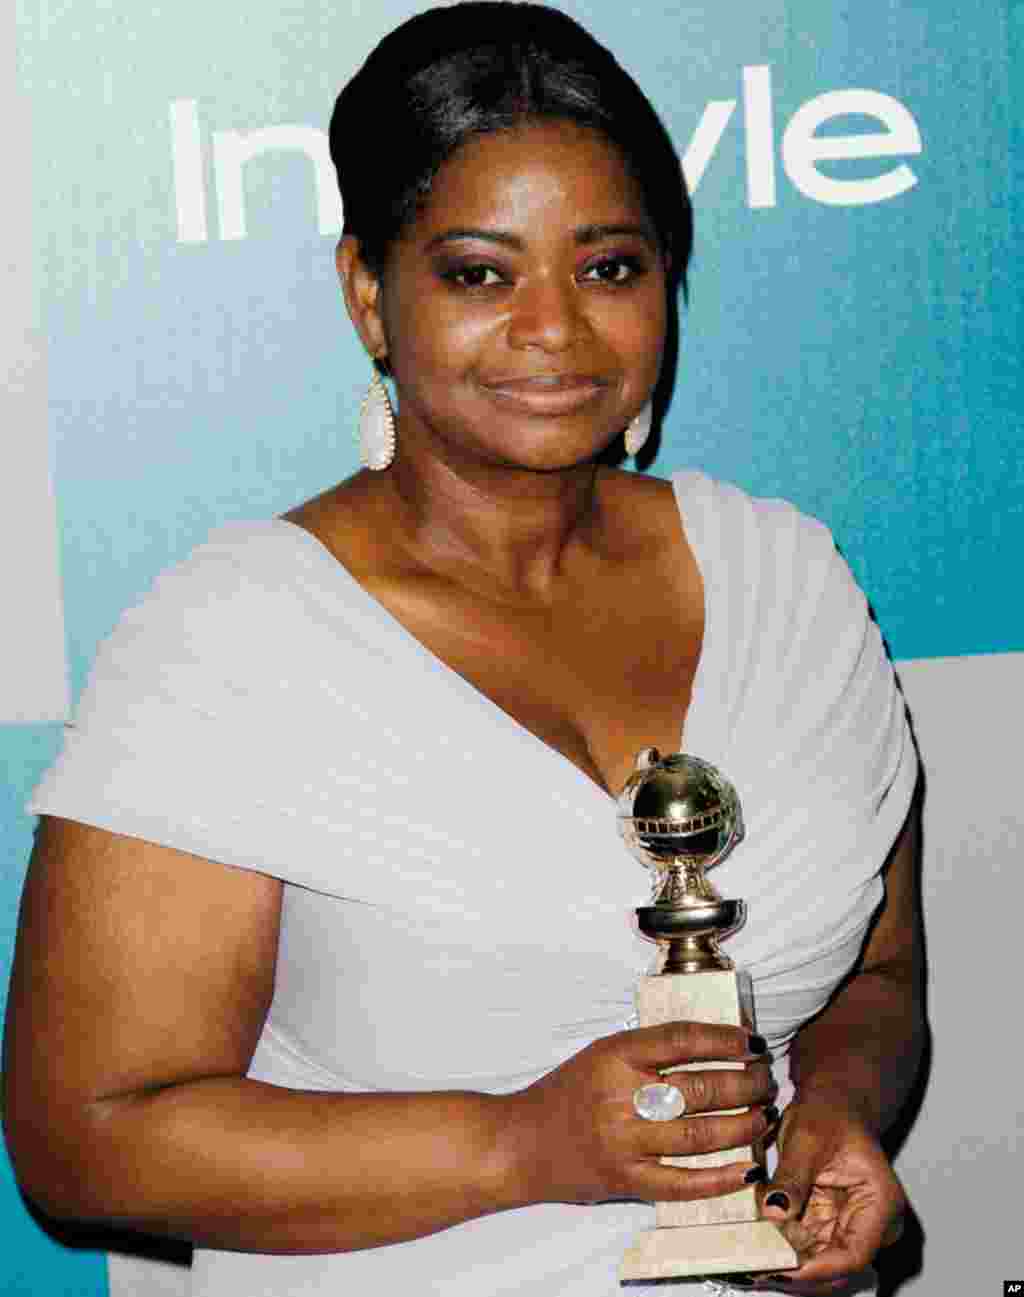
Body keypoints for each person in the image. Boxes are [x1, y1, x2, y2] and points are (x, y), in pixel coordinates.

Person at [3, 4, 924, 1295]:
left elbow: (879, 976)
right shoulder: (232, 640)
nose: (553, 329)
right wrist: (523, 1142)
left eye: (608, 268)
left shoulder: (795, 582)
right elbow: (81, 1135)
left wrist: (838, 1105)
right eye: (480, 273)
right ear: (368, 292)